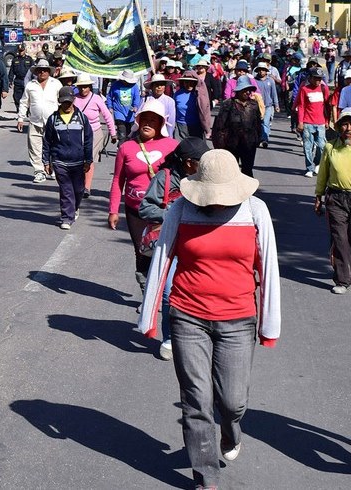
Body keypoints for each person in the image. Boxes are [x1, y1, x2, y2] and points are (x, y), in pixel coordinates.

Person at [139, 148, 281, 490]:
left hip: (238, 318)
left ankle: (231, 433)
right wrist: (150, 318)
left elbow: (270, 267)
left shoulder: (254, 210)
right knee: (196, 398)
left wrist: (269, 324)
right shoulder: (181, 209)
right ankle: (206, 476)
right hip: (188, 316)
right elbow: (162, 257)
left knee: (233, 401)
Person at [138, 137, 210, 361]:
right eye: (201, 160)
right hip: (170, 245)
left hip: (199, 244)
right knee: (170, 291)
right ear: (189, 162)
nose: (205, 164)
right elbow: (145, 208)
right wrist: (172, 214)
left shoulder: (206, 179)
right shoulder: (165, 178)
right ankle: (169, 338)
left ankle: (197, 334)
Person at [108, 99, 179, 307]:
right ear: (138, 121)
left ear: (161, 124)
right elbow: (117, 181)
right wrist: (113, 210)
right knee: (143, 251)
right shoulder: (126, 148)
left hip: (165, 210)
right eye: (144, 119)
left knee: (166, 251)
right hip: (135, 210)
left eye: (153, 120)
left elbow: (183, 177)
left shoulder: (173, 147)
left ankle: (167, 292)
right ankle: (147, 293)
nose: (147, 124)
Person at [315, 109, 351, 294]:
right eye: (344, 125)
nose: (348, 128)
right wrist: (318, 196)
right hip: (336, 198)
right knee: (339, 238)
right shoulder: (330, 147)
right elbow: (323, 173)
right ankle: (342, 279)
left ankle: (350, 267)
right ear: (339, 127)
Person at [42, 86, 94, 230]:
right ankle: (66, 217)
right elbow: (47, 141)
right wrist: (46, 161)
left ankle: (74, 208)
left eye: (69, 102)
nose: (66, 105)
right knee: (66, 190)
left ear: (73, 100)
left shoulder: (82, 118)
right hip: (60, 161)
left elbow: (89, 139)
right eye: (63, 102)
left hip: (78, 161)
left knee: (78, 190)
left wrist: (88, 159)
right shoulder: (53, 119)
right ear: (59, 102)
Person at [17, 59, 62, 183]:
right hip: (35, 121)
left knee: (54, 146)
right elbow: (24, 102)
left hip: (53, 122)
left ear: (49, 72)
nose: (42, 72)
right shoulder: (31, 85)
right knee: (35, 147)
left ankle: (52, 168)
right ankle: (39, 171)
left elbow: (62, 101)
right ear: (36, 72)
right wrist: (20, 118)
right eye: (40, 70)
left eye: (45, 70)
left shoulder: (56, 84)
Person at [73, 73, 116, 197]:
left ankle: (87, 187)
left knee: (89, 159)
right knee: (78, 160)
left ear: (90, 87)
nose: (83, 89)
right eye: (81, 87)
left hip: (94, 133)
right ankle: (79, 183)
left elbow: (107, 116)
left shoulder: (96, 99)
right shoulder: (74, 99)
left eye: (86, 87)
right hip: (77, 133)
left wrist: (113, 133)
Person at [212, 75, 263, 177]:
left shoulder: (254, 105)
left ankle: (247, 191)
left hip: (249, 143)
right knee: (231, 171)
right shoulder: (228, 104)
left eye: (249, 90)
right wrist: (220, 145)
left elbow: (257, 124)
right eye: (245, 90)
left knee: (247, 170)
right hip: (231, 144)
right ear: (238, 90)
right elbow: (219, 126)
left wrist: (257, 139)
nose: (247, 92)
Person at [296, 67, 330, 177]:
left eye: (320, 79)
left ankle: (317, 163)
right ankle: (309, 168)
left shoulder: (324, 89)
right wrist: (300, 122)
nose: (318, 81)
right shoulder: (304, 89)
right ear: (310, 78)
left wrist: (327, 121)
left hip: (320, 122)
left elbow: (327, 106)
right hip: (307, 122)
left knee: (322, 146)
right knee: (307, 146)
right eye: (315, 78)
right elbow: (301, 106)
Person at [106, 69, 141, 145]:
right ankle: (120, 149)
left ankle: (127, 150)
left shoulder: (134, 86)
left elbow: (137, 97)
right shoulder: (115, 85)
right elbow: (109, 96)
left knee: (129, 135)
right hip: (119, 112)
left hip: (130, 113)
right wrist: (110, 106)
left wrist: (135, 106)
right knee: (122, 134)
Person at [174, 71, 207, 139]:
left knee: (197, 146)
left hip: (196, 124)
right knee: (184, 146)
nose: (189, 84)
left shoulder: (199, 94)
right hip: (181, 124)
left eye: (191, 82)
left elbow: (205, 109)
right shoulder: (177, 94)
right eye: (186, 82)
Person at [254, 62, 280, 148]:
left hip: (268, 105)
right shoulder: (254, 81)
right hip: (257, 105)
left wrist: (276, 104)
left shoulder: (270, 81)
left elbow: (274, 93)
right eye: (260, 70)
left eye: (263, 70)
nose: (261, 72)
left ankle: (264, 139)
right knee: (258, 123)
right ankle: (258, 139)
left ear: (266, 71)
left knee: (265, 122)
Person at [10, 44, 34, 113]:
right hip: (18, 80)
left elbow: (33, 70)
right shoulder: (15, 59)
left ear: (25, 50)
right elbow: (12, 71)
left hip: (27, 80)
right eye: (19, 51)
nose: (21, 52)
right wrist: (10, 80)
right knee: (17, 97)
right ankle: (19, 110)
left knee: (27, 96)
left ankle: (27, 111)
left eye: (22, 51)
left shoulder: (29, 59)